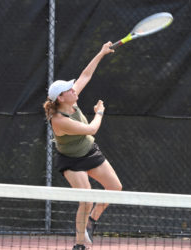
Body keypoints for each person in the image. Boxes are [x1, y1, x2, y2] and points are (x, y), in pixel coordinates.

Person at [43, 42, 122, 250]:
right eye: (69, 89)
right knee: (86, 199)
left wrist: (101, 53)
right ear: (61, 97)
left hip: (89, 152)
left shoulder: (71, 100)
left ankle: (92, 221)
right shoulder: (59, 119)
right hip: (71, 160)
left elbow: (85, 75)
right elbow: (92, 129)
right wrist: (99, 112)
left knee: (115, 188)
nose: (74, 88)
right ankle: (80, 243)